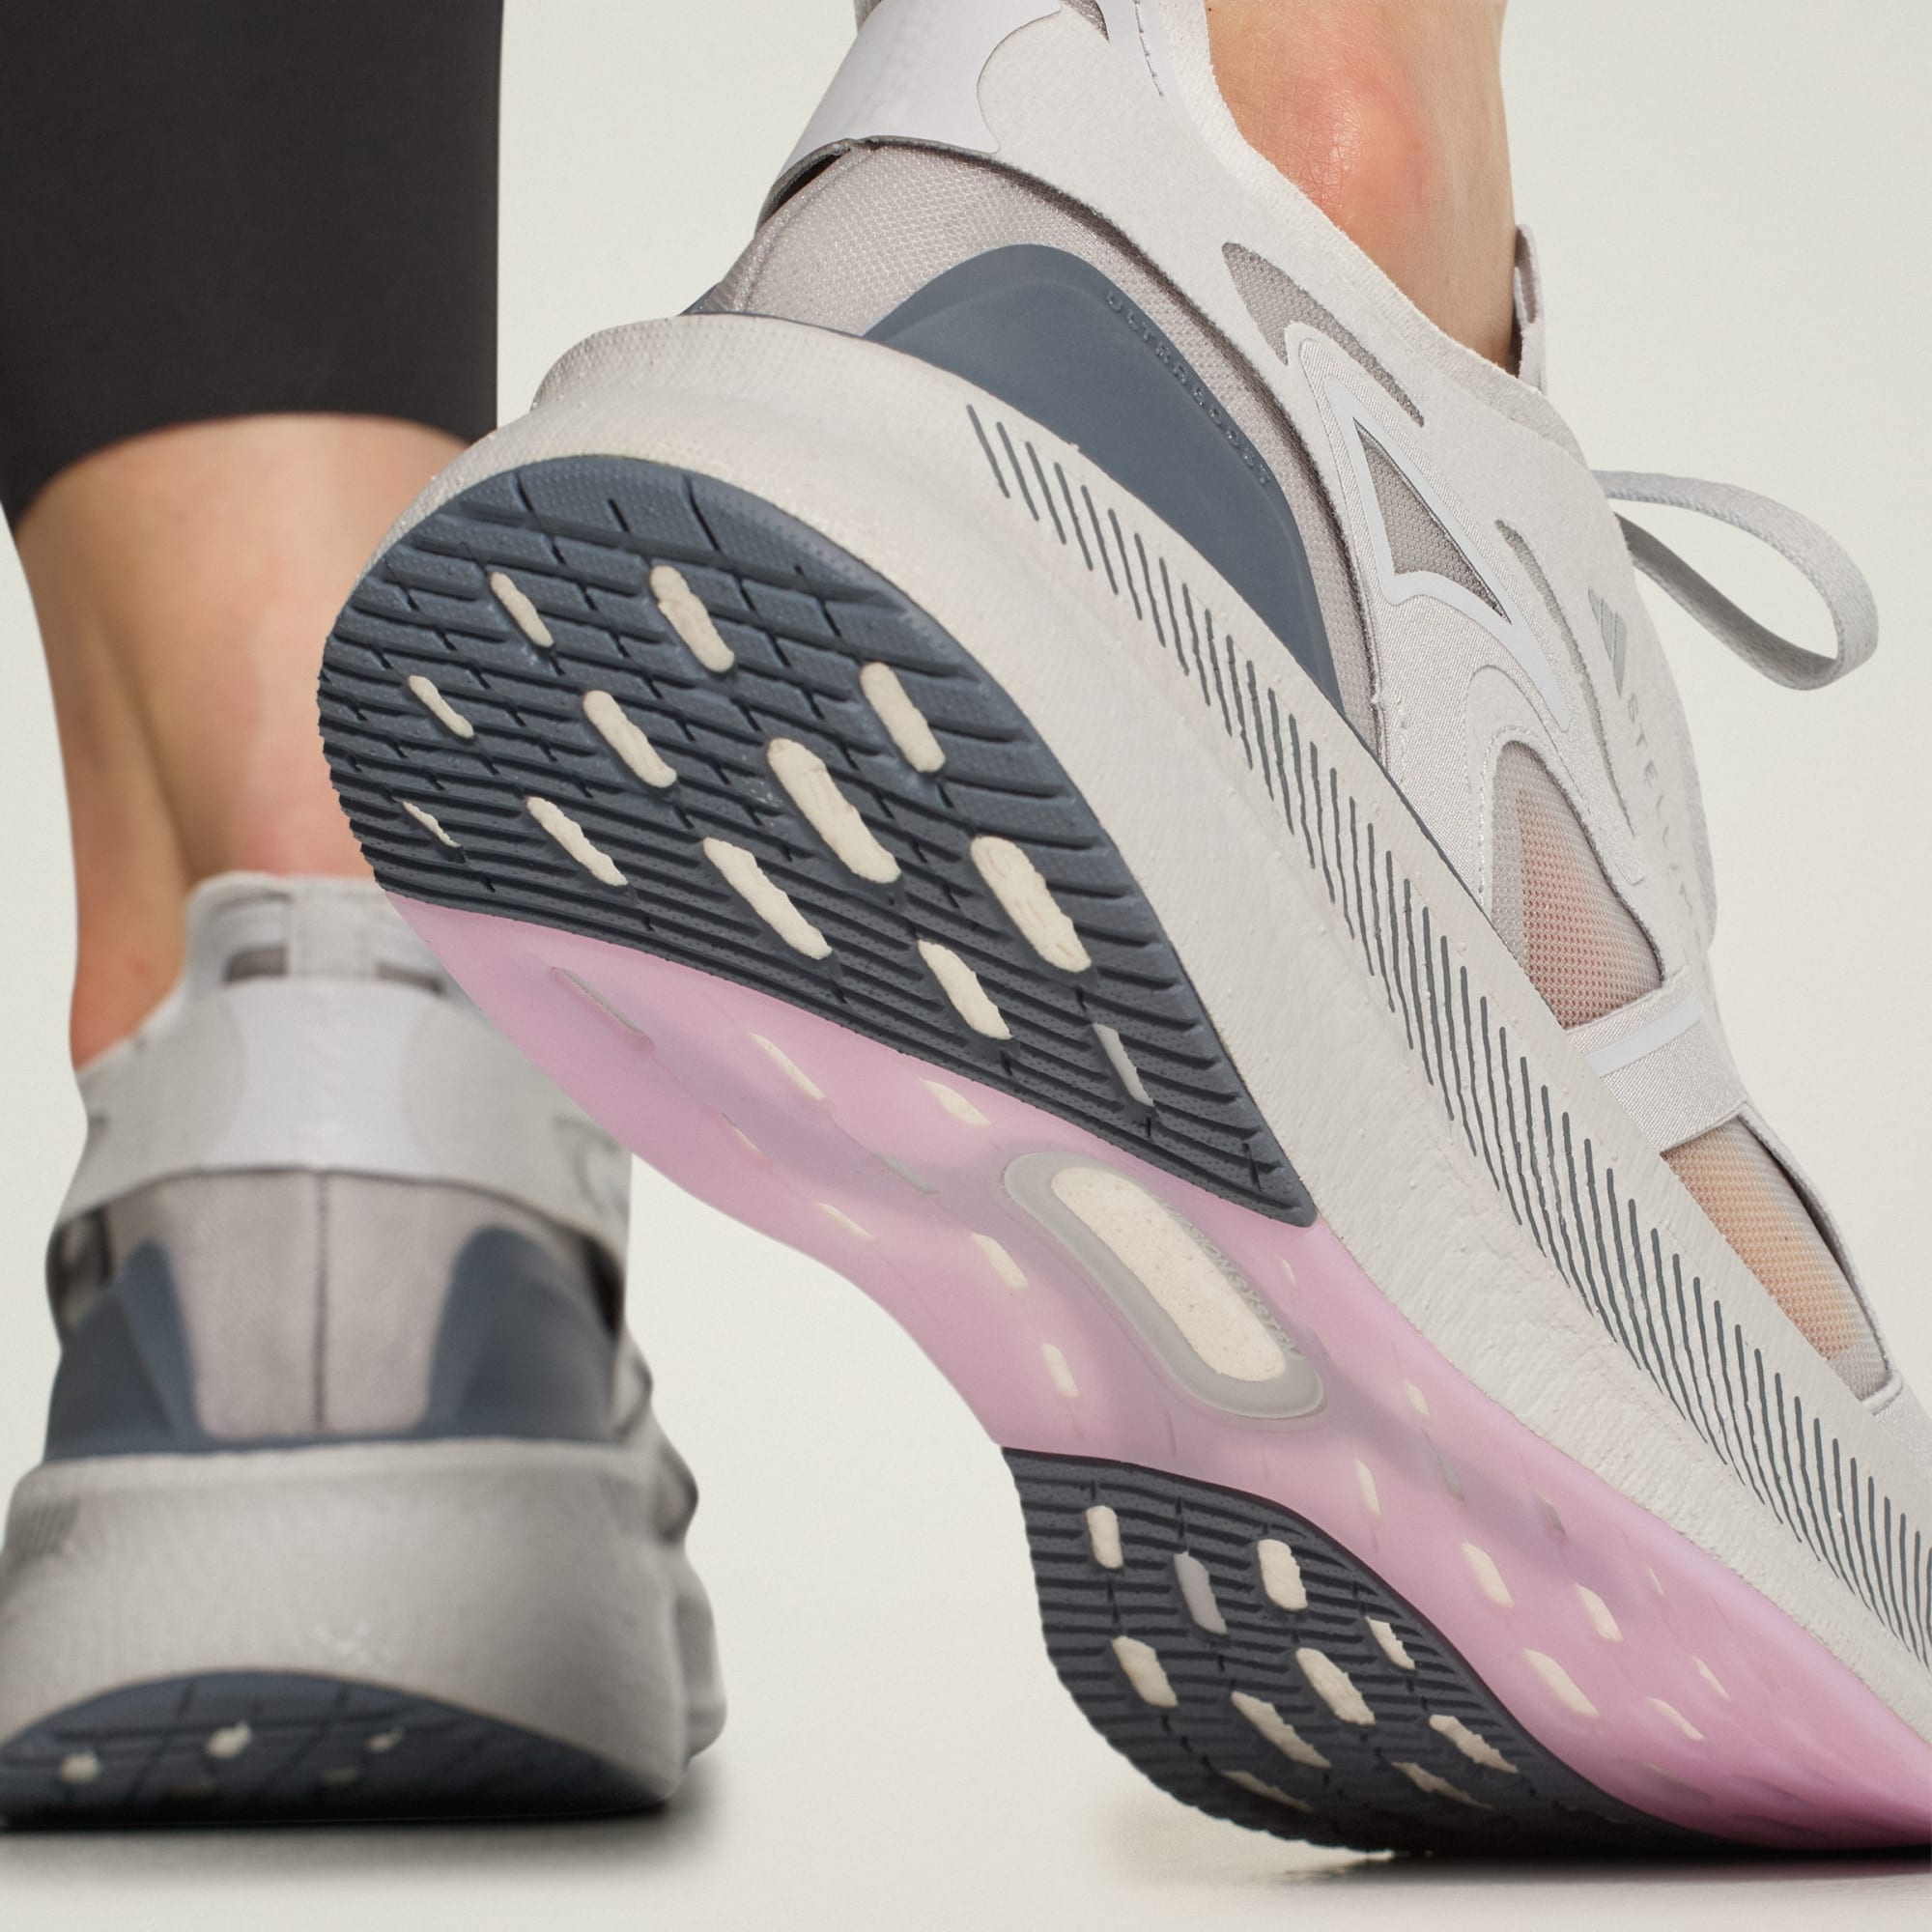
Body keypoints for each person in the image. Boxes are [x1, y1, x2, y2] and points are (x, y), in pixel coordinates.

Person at [3, 0, 1926, 1851]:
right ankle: (1286, 174)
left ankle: (306, 1112)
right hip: (1206, 325)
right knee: (1291, 73)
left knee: (275, 852)